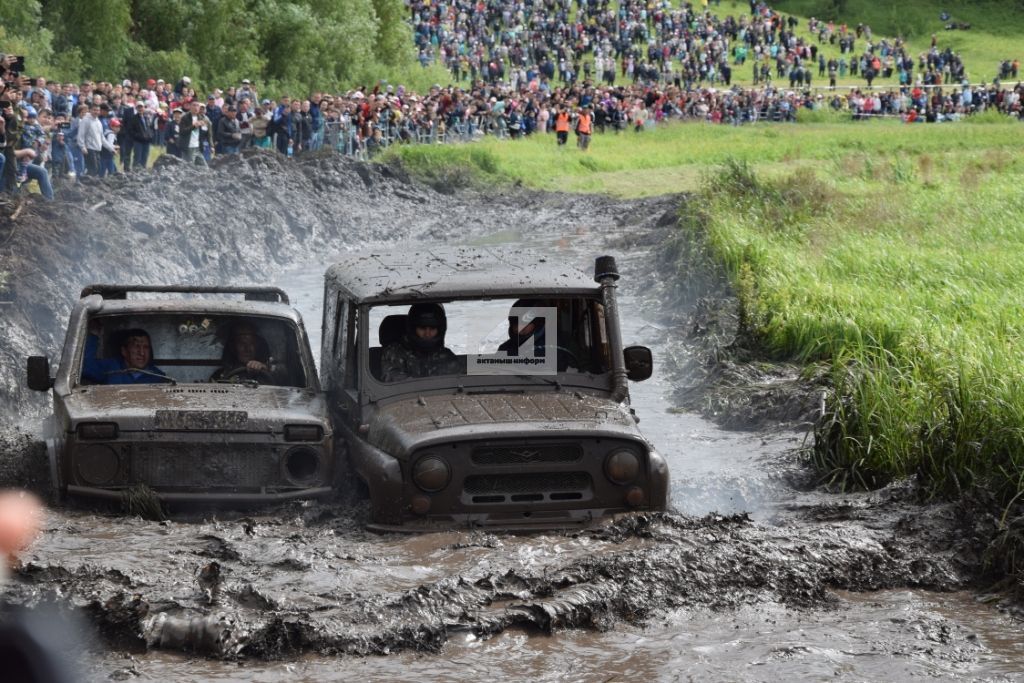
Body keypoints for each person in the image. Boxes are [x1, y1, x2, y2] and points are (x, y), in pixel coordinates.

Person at [380, 303, 460, 381]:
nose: (427, 334)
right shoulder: (394, 353)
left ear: (439, 329)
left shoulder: (446, 355)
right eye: (422, 328)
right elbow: (394, 379)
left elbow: (460, 380)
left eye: (432, 328)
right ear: (413, 328)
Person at [82, 327, 168, 384]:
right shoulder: (111, 367)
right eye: (136, 346)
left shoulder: (158, 377)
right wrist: (94, 334)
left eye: (146, 347)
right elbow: (84, 367)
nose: (142, 353)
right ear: (124, 351)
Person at [210, 322, 286, 384]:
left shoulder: (268, 372)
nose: (247, 348)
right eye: (241, 343)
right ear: (233, 347)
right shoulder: (219, 375)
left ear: (257, 346)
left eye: (251, 343)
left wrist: (264, 369)